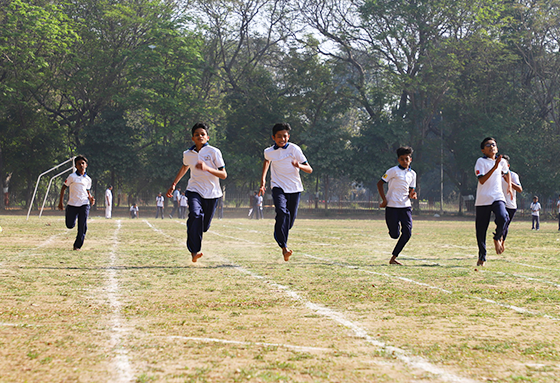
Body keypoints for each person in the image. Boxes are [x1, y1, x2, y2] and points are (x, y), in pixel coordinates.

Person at [167, 122, 227, 262]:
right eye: (196, 135)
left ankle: (193, 227)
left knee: (203, 226)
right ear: (192, 138)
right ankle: (194, 251)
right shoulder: (188, 153)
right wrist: (174, 184)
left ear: (207, 137)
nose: (200, 136)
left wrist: (207, 168)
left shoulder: (214, 152)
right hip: (194, 190)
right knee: (195, 214)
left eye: (202, 134)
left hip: (212, 193)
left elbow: (223, 174)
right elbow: (184, 167)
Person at [259, 122, 313, 261]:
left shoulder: (294, 149)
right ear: (273, 137)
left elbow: (309, 169)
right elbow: (267, 161)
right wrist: (263, 180)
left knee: (289, 222)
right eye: (279, 137)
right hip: (278, 187)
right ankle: (284, 248)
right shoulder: (269, 151)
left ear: (288, 136)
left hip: (294, 188)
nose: (282, 139)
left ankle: (279, 234)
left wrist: (298, 165)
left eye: (284, 136)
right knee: (282, 212)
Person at [474, 137, 513, 267]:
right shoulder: (481, 162)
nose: (492, 146)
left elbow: (507, 173)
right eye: (488, 145)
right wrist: (495, 166)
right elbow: (482, 180)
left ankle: (497, 237)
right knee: (481, 230)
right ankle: (482, 256)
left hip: (497, 196)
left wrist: (509, 186)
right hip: (483, 199)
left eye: (494, 144)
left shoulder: (501, 162)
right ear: (483, 150)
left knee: (504, 217)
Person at [376, 146, 417, 265]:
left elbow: (411, 190)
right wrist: (384, 200)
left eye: (407, 159)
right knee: (395, 235)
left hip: (405, 207)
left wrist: (413, 194)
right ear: (398, 160)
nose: (405, 161)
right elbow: (380, 184)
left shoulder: (413, 174)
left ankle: (393, 258)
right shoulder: (392, 171)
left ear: (411, 159)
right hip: (392, 207)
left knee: (408, 233)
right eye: (402, 159)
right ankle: (393, 230)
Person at [58, 155, 95, 251]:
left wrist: (90, 198)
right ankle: (71, 220)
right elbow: (63, 188)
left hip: (84, 204)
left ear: (86, 165)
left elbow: (87, 190)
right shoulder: (72, 177)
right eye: (79, 164)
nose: (81, 165)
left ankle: (77, 245)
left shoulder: (88, 179)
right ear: (76, 166)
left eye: (83, 163)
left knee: (82, 226)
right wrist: (60, 202)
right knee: (70, 225)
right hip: (72, 204)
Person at [500, 155, 522, 248]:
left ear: (508, 166)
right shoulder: (495, 175)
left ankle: (502, 241)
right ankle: (498, 237)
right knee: (501, 221)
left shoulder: (513, 175)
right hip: (500, 203)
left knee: (505, 224)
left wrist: (508, 182)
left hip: (511, 205)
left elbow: (520, 189)